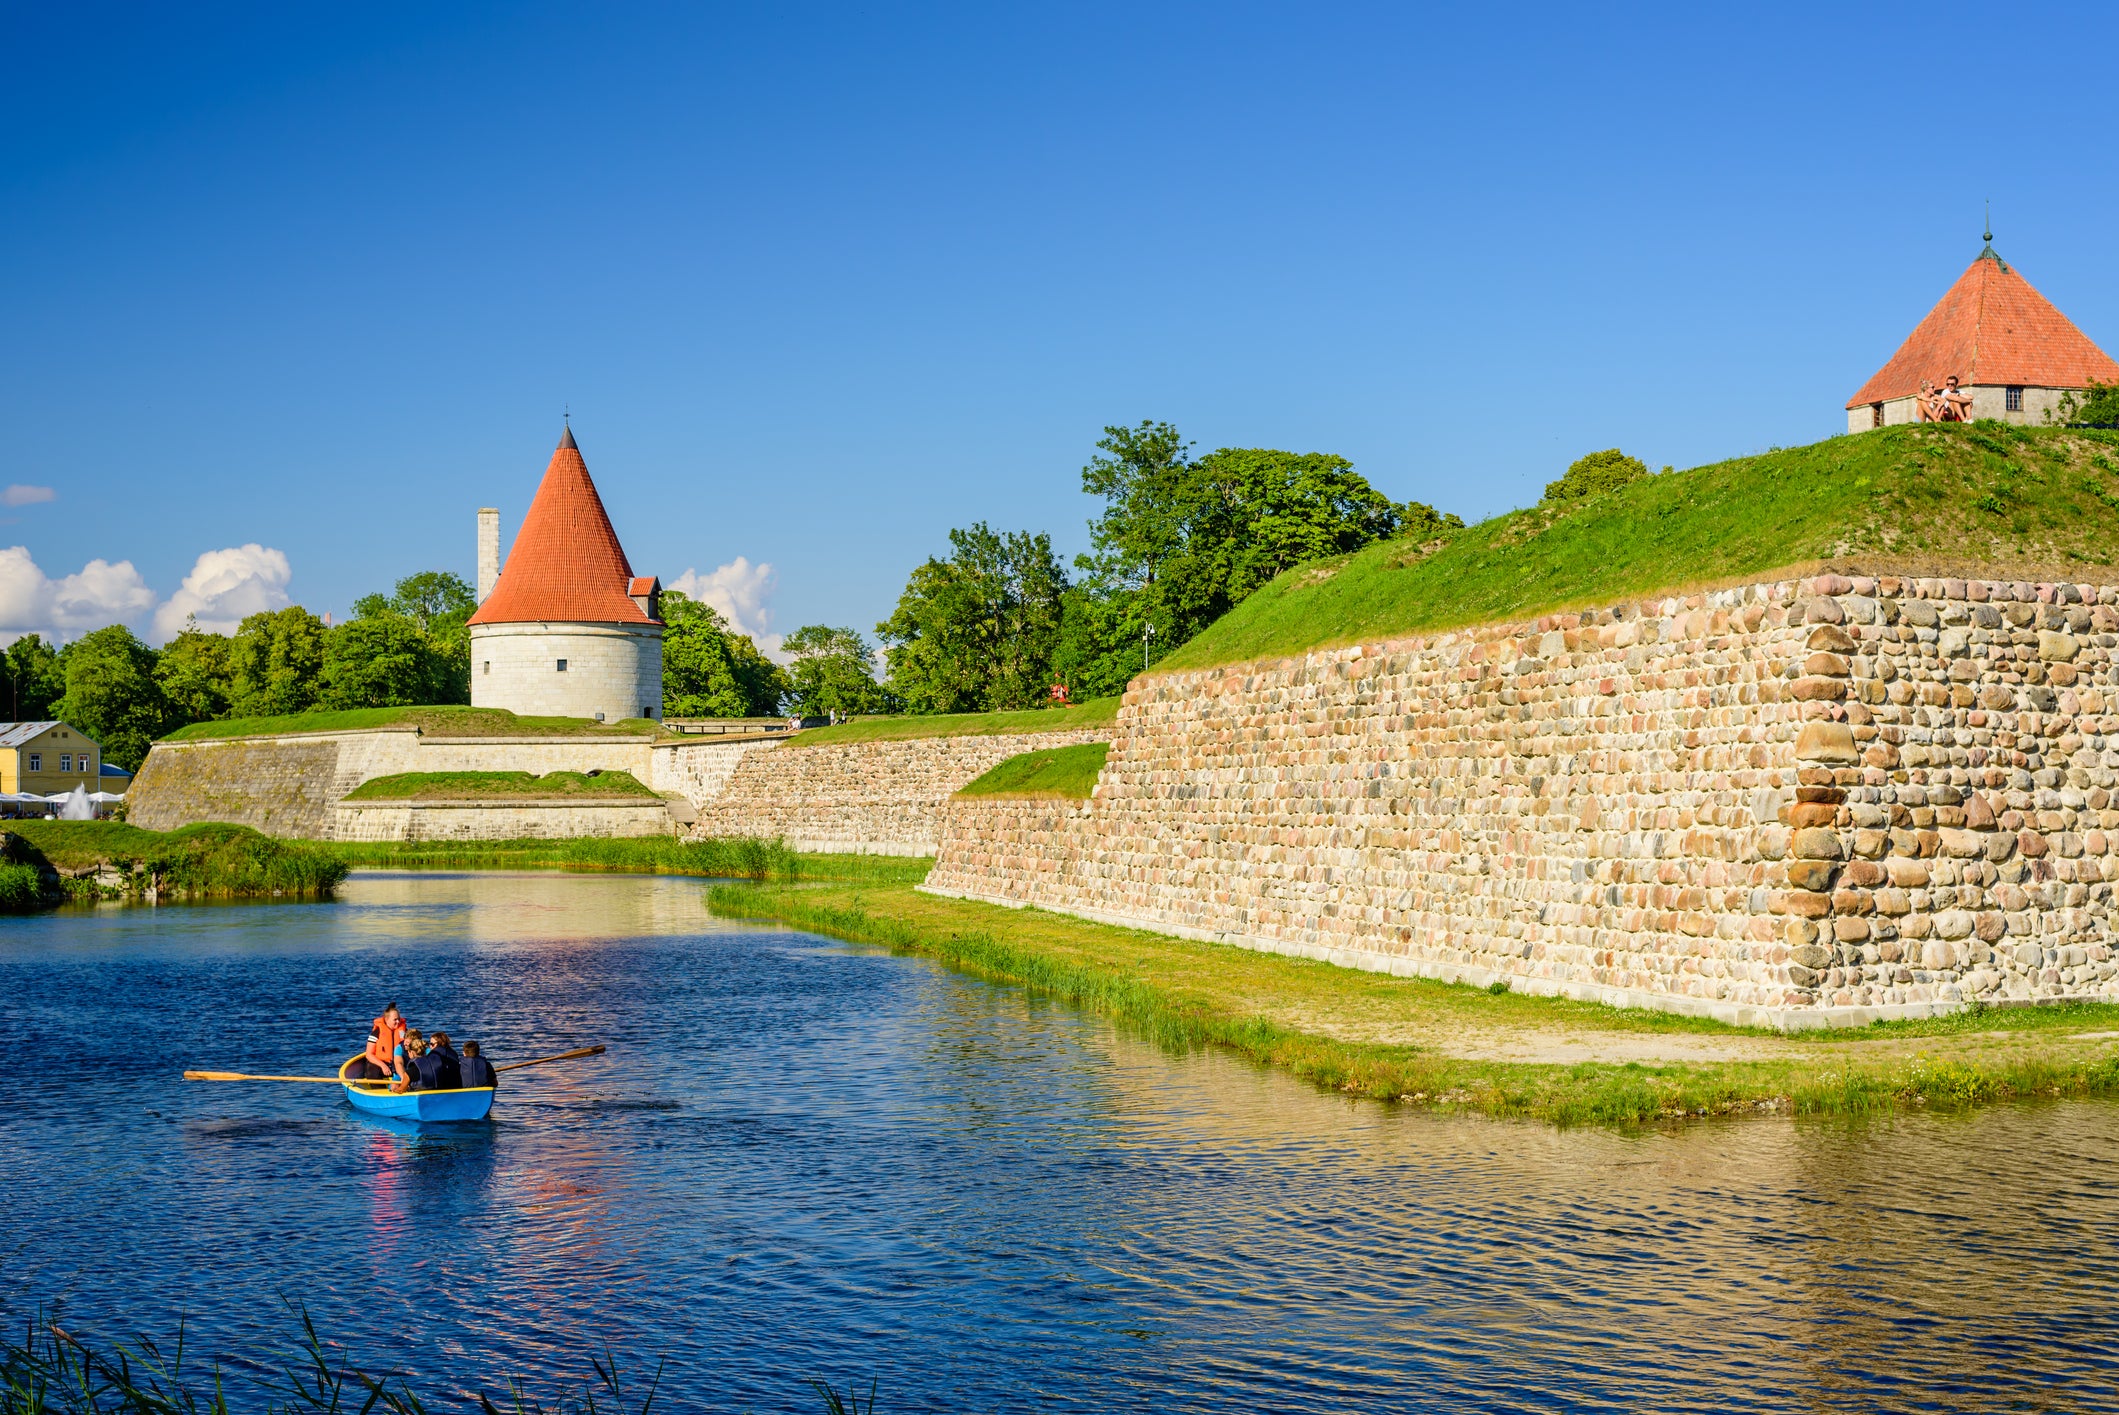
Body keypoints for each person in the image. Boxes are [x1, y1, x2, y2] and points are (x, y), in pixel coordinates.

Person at [359, 1003, 406, 1080]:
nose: (398, 1022)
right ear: (387, 1019)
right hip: (381, 1063)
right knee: (371, 1072)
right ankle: (378, 1090)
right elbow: (369, 1054)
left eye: (399, 1019)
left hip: (398, 1063)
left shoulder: (403, 1031)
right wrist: (383, 1066)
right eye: (395, 1020)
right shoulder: (377, 1032)